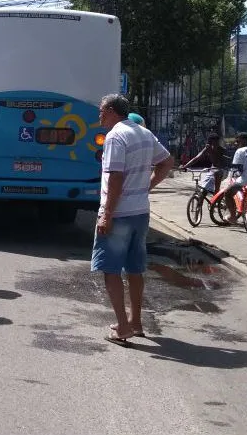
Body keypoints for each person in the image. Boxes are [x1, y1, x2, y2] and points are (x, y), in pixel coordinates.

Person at [93, 94, 174, 346]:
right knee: (135, 268)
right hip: (140, 212)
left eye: (101, 111)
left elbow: (115, 177)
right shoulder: (143, 133)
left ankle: (123, 326)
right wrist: (147, 187)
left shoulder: (116, 136)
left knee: (110, 270)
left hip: (119, 213)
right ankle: (136, 322)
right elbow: (167, 161)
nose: (99, 116)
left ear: (110, 110)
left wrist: (106, 214)